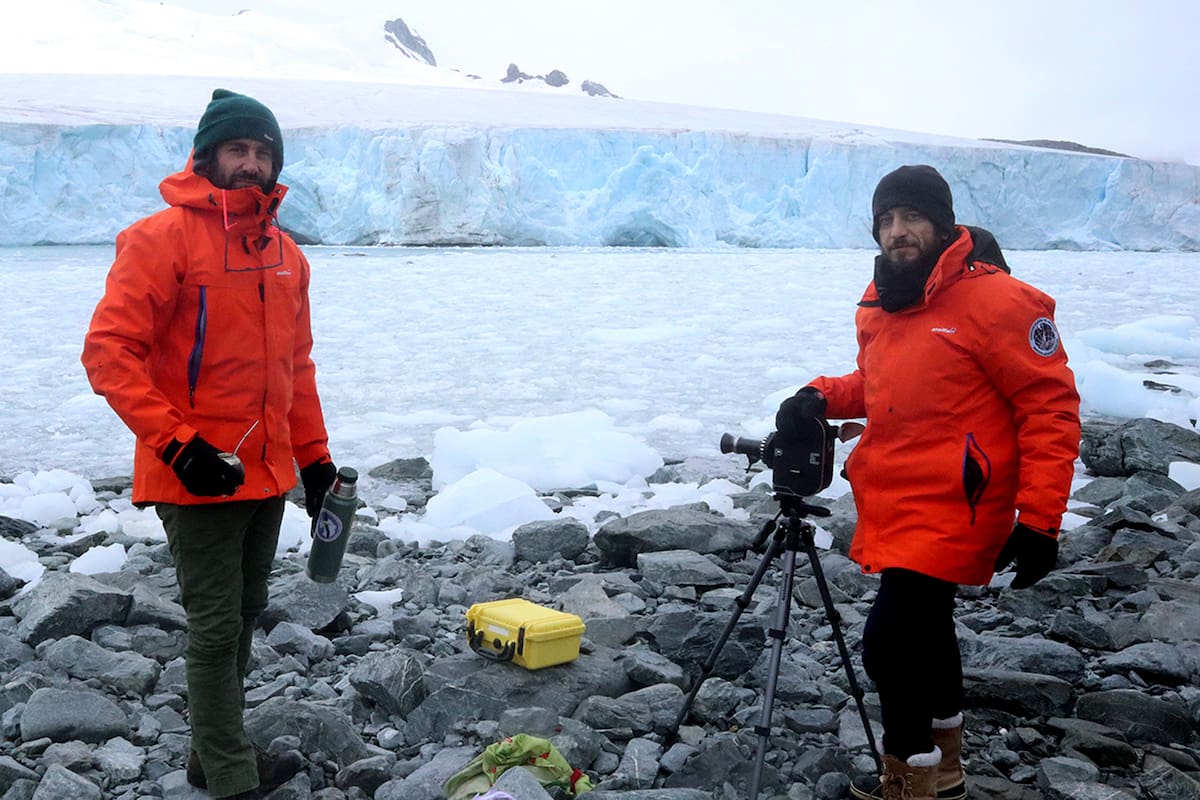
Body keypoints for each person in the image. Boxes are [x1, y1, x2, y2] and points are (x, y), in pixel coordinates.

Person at [775, 165, 1080, 800]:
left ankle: (907, 782)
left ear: (942, 224)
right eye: (886, 220)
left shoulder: (1000, 301)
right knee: (925, 623)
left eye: (911, 217)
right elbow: (884, 383)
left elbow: (1049, 410)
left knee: (889, 641)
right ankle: (944, 769)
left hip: (959, 500)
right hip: (895, 495)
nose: (897, 232)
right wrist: (821, 395)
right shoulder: (883, 299)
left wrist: (1040, 520)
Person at [82, 89, 338, 800]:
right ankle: (229, 775)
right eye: (238, 150)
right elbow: (108, 352)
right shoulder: (161, 239)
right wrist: (178, 446)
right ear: (209, 156)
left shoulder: (287, 254)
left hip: (266, 475)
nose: (251, 164)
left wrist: (313, 461)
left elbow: (297, 369)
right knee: (217, 622)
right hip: (196, 473)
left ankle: (210, 753)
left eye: (263, 152)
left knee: (248, 611)